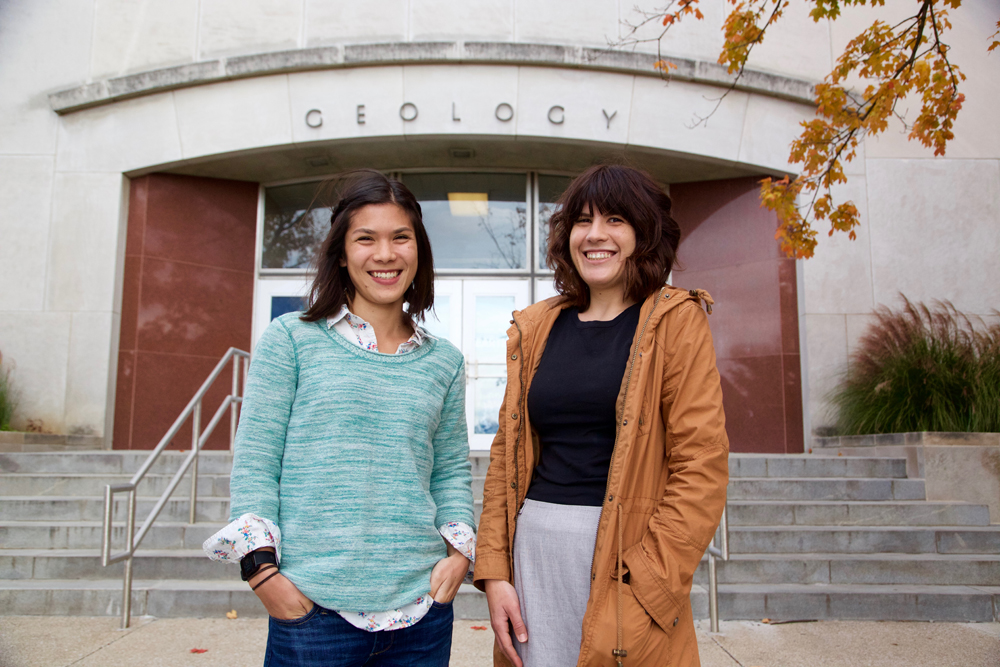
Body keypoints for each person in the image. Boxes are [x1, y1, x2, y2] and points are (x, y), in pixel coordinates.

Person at [203, 169, 476, 667]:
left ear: (419, 250)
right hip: (313, 615)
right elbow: (257, 463)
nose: (386, 254)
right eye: (365, 238)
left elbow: (451, 470)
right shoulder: (290, 339)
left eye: (401, 237)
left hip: (421, 616)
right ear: (342, 251)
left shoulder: (445, 361)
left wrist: (458, 557)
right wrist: (264, 576)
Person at [474, 164, 729, 667]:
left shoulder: (675, 322)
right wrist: (496, 572)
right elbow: (506, 456)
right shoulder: (539, 326)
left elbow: (700, 465)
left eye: (615, 220)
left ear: (644, 234)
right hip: (535, 559)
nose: (595, 235)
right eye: (582, 221)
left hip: (625, 564)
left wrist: (649, 580)